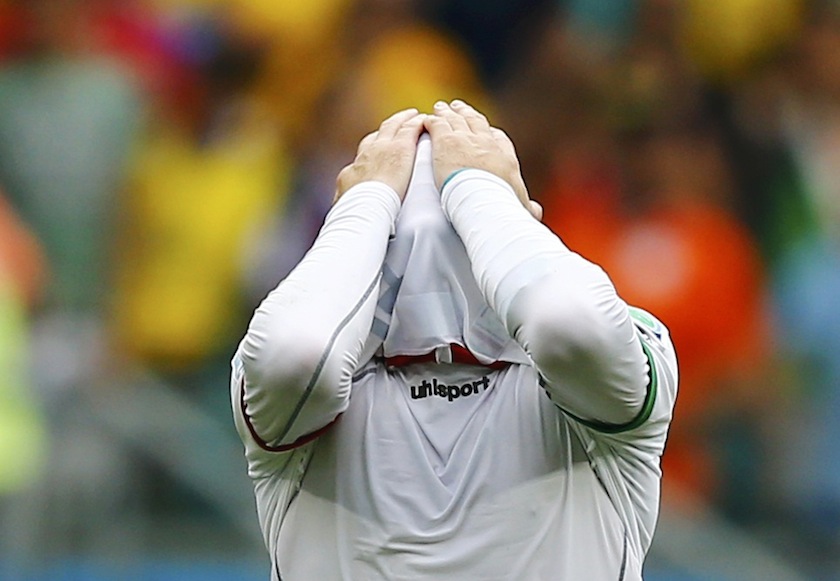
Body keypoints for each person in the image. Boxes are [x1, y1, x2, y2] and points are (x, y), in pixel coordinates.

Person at [230, 101, 678, 580]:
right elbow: (299, 355)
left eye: (468, 215)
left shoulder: (606, 365)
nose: (432, 237)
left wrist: (374, 200)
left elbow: (568, 324)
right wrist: (379, 200)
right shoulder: (303, 395)